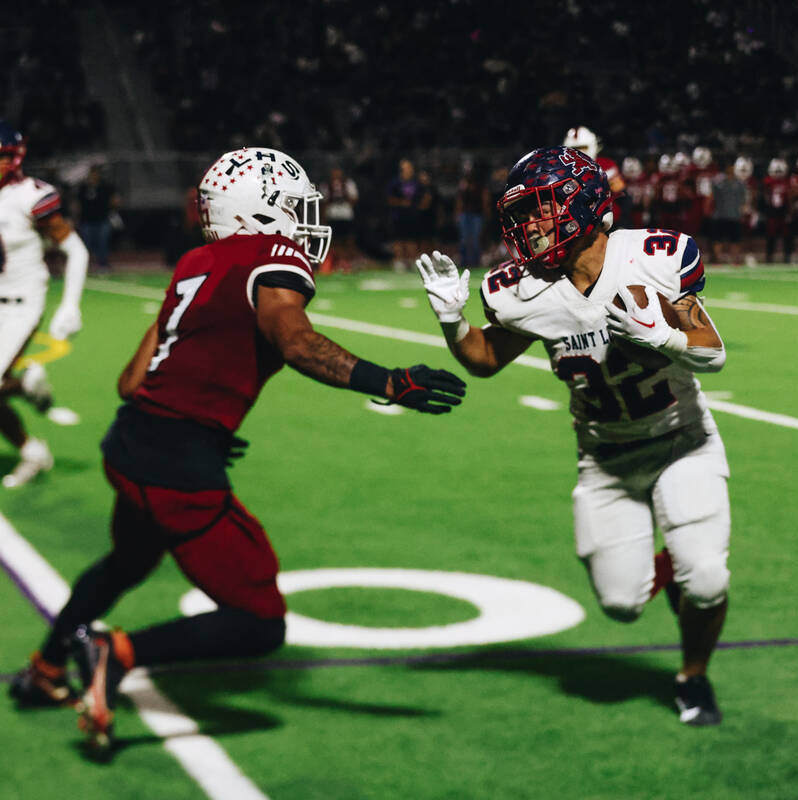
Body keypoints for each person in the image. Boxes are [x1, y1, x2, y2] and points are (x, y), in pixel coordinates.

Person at [7, 147, 467, 757]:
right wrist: (389, 381)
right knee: (259, 620)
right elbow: (294, 339)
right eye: (290, 204)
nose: (302, 220)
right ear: (257, 210)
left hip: (130, 443)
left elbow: (131, 382)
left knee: (127, 561)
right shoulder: (270, 254)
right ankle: (117, 653)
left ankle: (44, 668)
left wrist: (205, 417)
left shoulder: (196, 260)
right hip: (176, 463)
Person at [416, 146, 731, 726]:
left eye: (539, 209)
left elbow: (713, 354)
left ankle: (693, 675)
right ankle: (674, 557)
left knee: (706, 579)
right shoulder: (520, 290)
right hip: (604, 459)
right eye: (520, 214)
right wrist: (452, 322)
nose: (527, 226)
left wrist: (663, 338)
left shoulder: (656, 259)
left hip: (680, 440)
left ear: (583, 202)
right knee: (621, 604)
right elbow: (484, 360)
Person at [0, 122, 88, 488]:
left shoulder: (31, 196)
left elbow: (75, 250)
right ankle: (25, 387)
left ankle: (31, 450)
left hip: (21, 303)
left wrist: (70, 304)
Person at [76, 165, 118, 272]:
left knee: (102, 243)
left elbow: (114, 200)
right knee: (86, 244)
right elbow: (77, 204)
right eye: (92, 174)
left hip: (102, 219)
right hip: (86, 220)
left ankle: (103, 264)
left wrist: (112, 209)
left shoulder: (105, 186)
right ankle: (85, 265)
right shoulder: (84, 187)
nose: (94, 176)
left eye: (96, 174)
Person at [319, 165, 359, 272]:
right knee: (334, 241)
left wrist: (344, 197)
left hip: (346, 214)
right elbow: (323, 202)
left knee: (348, 240)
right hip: (332, 215)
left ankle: (347, 262)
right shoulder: (326, 185)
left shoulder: (348, 183)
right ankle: (335, 262)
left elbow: (354, 199)